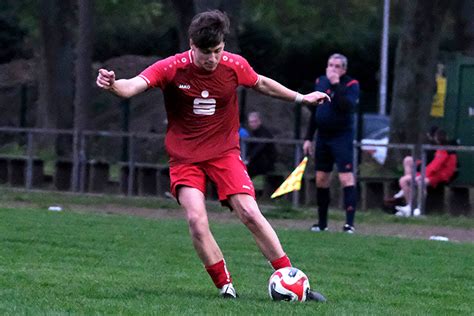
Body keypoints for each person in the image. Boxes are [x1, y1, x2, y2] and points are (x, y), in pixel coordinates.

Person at [96, 10, 329, 300]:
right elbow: (132, 87)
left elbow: (262, 83)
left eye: (218, 51)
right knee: (196, 219)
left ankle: (291, 280)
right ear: (192, 45)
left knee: (250, 212)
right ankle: (224, 285)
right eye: (207, 52)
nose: (213, 59)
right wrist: (113, 84)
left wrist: (301, 97)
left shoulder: (233, 65)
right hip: (185, 157)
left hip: (224, 154)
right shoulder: (171, 68)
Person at [303, 53, 360, 233]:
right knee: (321, 178)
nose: (332, 69)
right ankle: (322, 223)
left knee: (346, 177)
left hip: (342, 137)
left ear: (343, 69)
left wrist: (336, 84)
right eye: (330, 65)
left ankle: (349, 224)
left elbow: (346, 106)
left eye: (337, 66)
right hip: (323, 136)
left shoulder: (351, 85)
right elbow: (315, 112)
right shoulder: (320, 82)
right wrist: (308, 138)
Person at [395, 129, 458, 217]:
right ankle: (410, 206)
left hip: (441, 176)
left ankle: (419, 209)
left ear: (436, 138)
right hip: (434, 174)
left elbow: (435, 167)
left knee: (420, 182)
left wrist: (421, 175)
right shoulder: (441, 148)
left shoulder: (443, 150)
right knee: (404, 180)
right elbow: (433, 165)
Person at [391, 126, 439, 201]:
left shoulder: (438, 147)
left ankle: (410, 203)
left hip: (429, 170)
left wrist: (418, 167)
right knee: (407, 159)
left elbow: (431, 163)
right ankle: (406, 186)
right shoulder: (430, 144)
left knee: (405, 180)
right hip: (425, 165)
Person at [245, 111, 277, 177]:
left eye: (254, 121)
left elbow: (259, 149)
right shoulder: (252, 133)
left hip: (265, 164)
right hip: (256, 163)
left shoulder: (264, 133)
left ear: (259, 121)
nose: (252, 124)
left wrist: (249, 158)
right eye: (251, 122)